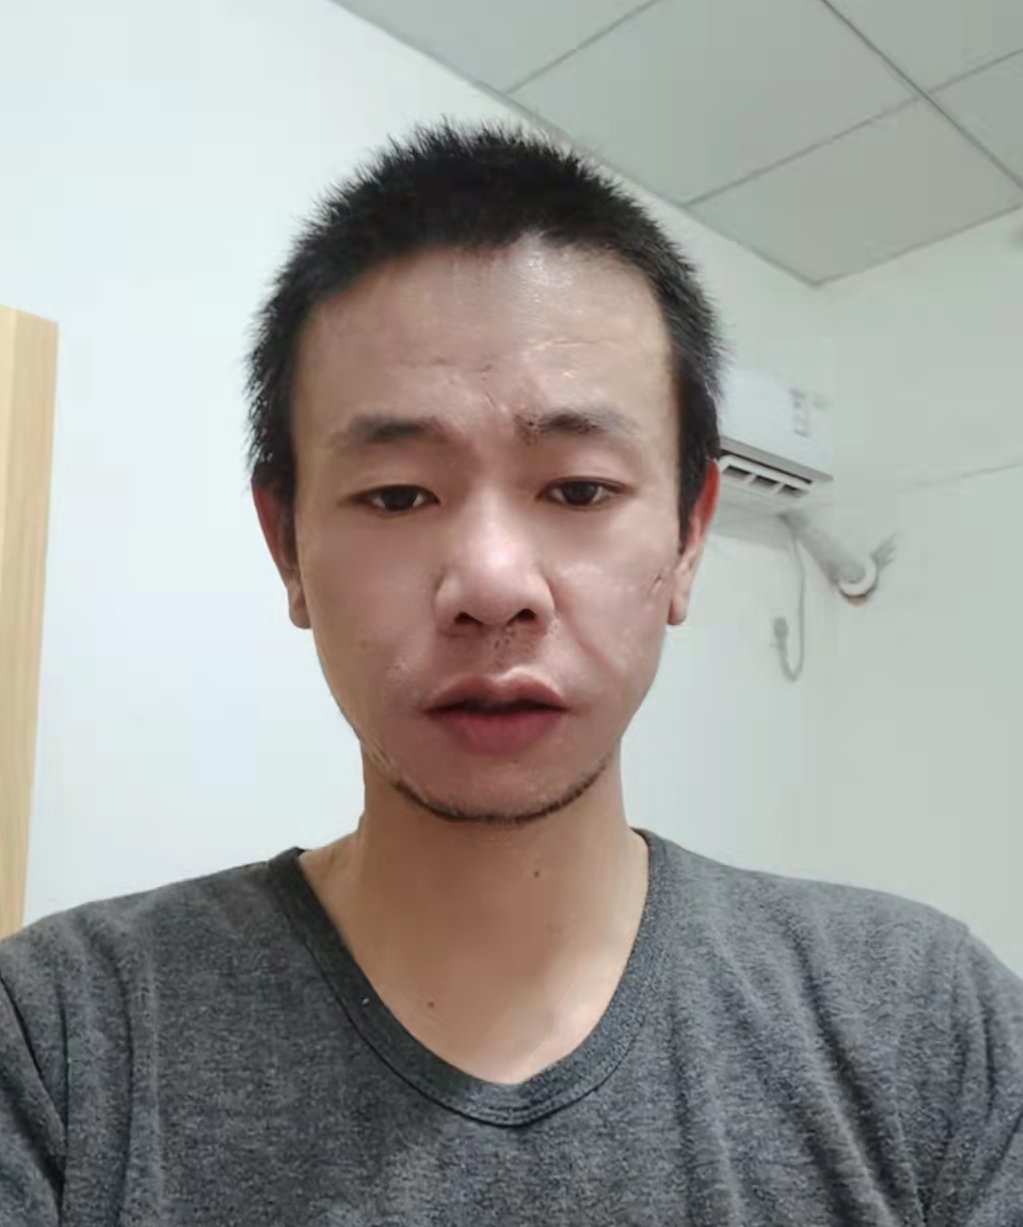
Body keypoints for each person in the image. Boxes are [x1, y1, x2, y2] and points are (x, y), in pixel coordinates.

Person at [1, 122, 1021, 1226]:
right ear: (287, 545)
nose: (491, 585)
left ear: (689, 536)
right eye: (398, 494)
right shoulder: (61, 1044)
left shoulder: (927, 1026)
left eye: (578, 489)